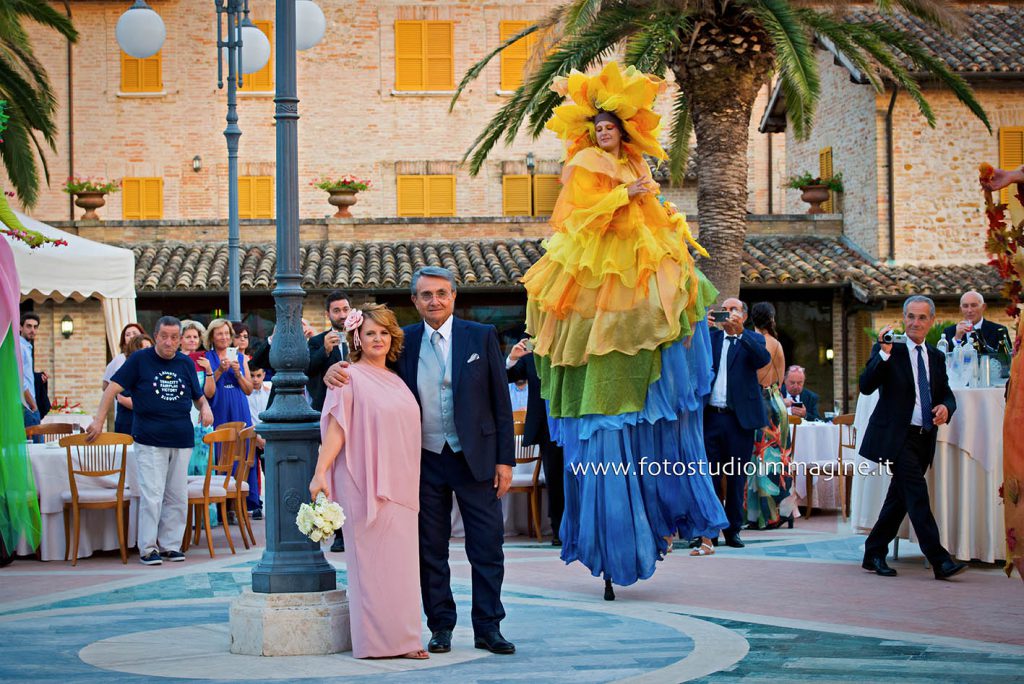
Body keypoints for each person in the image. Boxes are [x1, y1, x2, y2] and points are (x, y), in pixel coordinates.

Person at [520, 62, 726, 595]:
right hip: (595, 259)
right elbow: (576, 215)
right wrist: (624, 195)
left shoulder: (637, 166)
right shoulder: (587, 162)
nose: (605, 133)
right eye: (599, 126)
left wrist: (653, 207)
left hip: (639, 256)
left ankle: (650, 521)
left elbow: (655, 217)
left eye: (612, 126)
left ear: (625, 130)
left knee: (669, 307)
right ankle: (612, 541)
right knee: (596, 349)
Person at [326, 266, 516, 655]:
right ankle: (440, 626)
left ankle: (488, 627)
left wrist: (505, 460)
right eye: (426, 295)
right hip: (423, 461)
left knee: (487, 545)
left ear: (453, 297)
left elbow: (500, 401)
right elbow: (368, 371)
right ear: (415, 301)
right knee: (430, 549)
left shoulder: (480, 336)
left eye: (442, 293)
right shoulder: (404, 342)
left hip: (475, 459)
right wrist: (335, 367)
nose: (435, 301)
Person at [309, 305, 427, 660]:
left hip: (402, 485)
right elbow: (336, 428)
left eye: (384, 333)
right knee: (371, 566)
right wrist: (320, 471)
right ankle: (375, 642)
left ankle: (405, 639)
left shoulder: (396, 378)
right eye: (371, 332)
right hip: (362, 482)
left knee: (402, 566)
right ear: (356, 337)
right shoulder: (348, 375)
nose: (378, 338)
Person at [86, 316, 214, 565]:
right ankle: (148, 548)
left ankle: (171, 545)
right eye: (164, 336)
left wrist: (205, 408)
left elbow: (199, 396)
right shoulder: (139, 360)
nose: (169, 342)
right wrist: (99, 420)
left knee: (177, 495)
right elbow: (111, 389)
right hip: (149, 437)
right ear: (156, 336)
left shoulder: (186, 363)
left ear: (179, 339)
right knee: (152, 494)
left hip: (181, 437)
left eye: (174, 337)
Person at [859, 295, 966, 580]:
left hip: (924, 436)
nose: (915, 323)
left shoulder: (936, 356)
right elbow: (866, 386)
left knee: (899, 499)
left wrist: (946, 407)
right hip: (897, 438)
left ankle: (873, 553)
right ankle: (940, 560)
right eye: (910, 317)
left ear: (931, 321)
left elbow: (945, 393)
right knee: (917, 495)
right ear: (903, 318)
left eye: (921, 317)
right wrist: (882, 353)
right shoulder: (889, 350)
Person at [699, 298, 772, 551]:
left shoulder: (754, 339)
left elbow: (762, 359)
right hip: (711, 417)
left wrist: (741, 334)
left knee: (736, 476)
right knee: (710, 475)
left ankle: (733, 530)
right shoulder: (711, 339)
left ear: (743, 315)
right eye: (725, 309)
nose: (728, 313)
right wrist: (701, 326)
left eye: (734, 309)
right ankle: (709, 529)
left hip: (739, 420)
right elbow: (692, 356)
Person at [506, 339, 563, 546]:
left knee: (581, 476)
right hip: (548, 427)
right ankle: (559, 530)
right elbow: (509, 376)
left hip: (578, 423)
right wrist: (512, 358)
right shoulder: (533, 350)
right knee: (555, 480)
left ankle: (584, 528)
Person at [745, 302, 795, 531]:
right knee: (780, 460)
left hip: (759, 403)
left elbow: (751, 377)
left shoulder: (752, 341)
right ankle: (783, 512)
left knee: (760, 460)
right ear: (771, 319)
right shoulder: (777, 343)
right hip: (777, 403)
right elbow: (781, 378)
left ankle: (761, 516)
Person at [200, 318, 255, 510]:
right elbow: (207, 392)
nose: (223, 337)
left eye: (226, 333)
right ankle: (222, 504)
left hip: (239, 409)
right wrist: (219, 371)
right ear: (212, 337)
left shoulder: (241, 357)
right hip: (219, 408)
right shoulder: (207, 358)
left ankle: (241, 504)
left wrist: (238, 373)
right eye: (219, 334)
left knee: (242, 451)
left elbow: (249, 390)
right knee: (221, 453)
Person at [308, 291, 351, 413]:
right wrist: (325, 350)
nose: (343, 315)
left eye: (345, 309)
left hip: (357, 402)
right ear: (328, 314)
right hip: (328, 405)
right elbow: (309, 370)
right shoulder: (317, 341)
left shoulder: (362, 338)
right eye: (336, 311)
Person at [103, 322, 146, 436]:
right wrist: (116, 394)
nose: (132, 336)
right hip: (126, 414)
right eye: (128, 334)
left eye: (135, 333)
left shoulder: (150, 361)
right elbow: (106, 385)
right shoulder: (119, 360)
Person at [113, 334, 155, 435]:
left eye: (150, 348)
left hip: (148, 426)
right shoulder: (126, 371)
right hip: (129, 425)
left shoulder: (153, 372)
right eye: (145, 348)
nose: (149, 351)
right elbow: (123, 399)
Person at [941, 291, 1009, 352]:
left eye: (973, 305)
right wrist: (957, 338)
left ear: (983, 307)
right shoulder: (949, 332)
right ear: (960, 309)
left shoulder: (998, 331)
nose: (969, 310)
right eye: (965, 306)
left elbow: (1007, 358)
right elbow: (943, 358)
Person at [246, 365, 271, 520]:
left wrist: (266, 437)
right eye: (252, 376)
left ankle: (272, 503)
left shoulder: (268, 393)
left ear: (263, 375)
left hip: (267, 438)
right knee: (252, 472)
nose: (255, 379)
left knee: (269, 472)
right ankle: (255, 505)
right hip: (251, 437)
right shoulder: (245, 394)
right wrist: (255, 437)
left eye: (258, 376)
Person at [19, 313, 41, 438]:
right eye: (28, 326)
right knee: (36, 448)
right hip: (27, 406)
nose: (32, 330)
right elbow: (20, 380)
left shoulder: (27, 347)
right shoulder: (20, 347)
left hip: (28, 405)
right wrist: (32, 404)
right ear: (20, 327)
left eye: (35, 327)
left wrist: (38, 376)